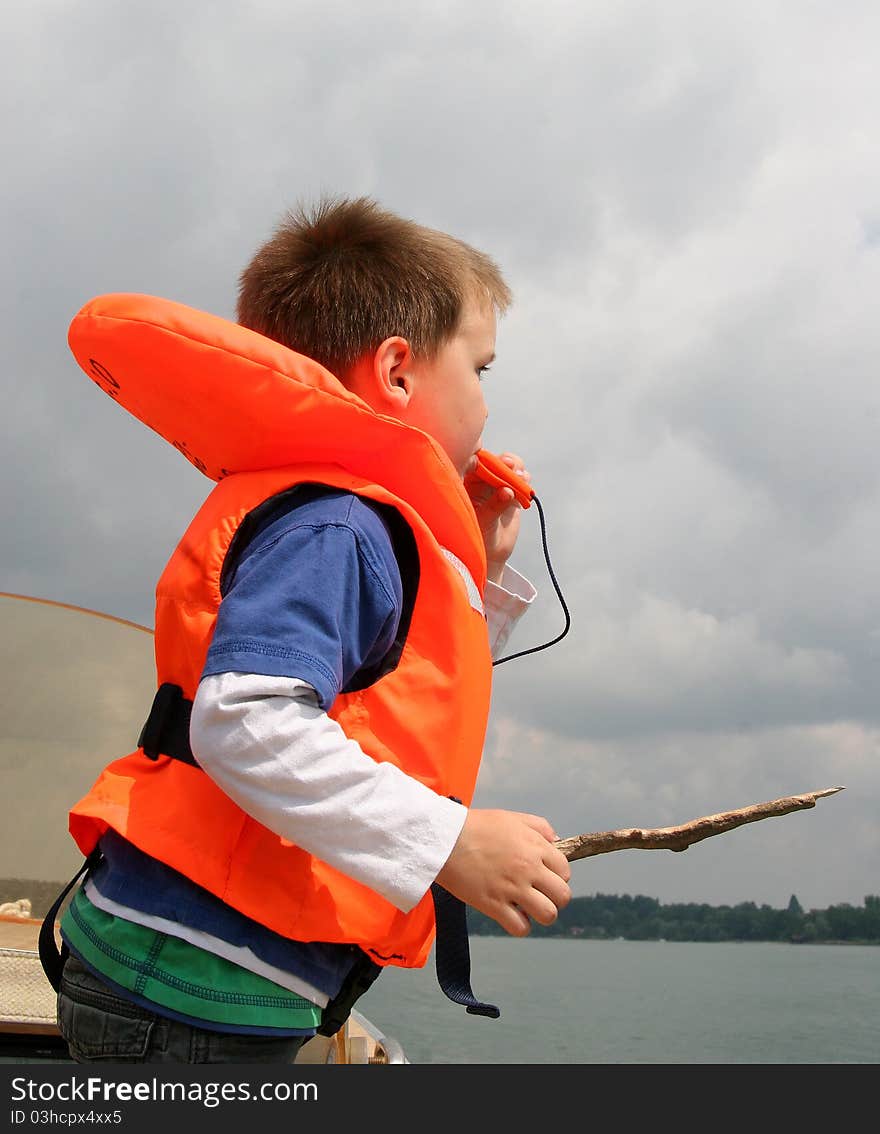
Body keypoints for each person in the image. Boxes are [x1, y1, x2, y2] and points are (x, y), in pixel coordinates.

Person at [53, 196, 572, 1063]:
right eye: (481, 369)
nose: (486, 402)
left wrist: (477, 569)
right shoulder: (339, 527)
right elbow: (246, 721)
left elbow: (393, 691)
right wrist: (449, 841)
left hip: (199, 985)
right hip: (184, 992)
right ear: (400, 372)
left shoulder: (353, 522)